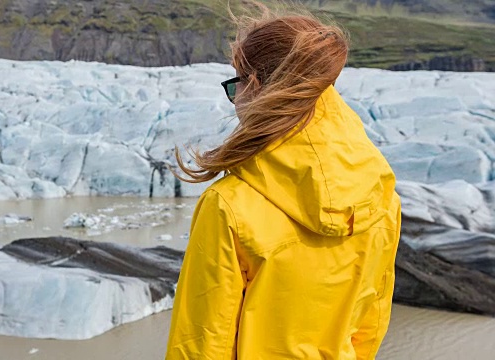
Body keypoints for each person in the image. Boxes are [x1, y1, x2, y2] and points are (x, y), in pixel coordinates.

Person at [165, 2, 401, 359]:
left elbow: (200, 343)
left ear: (257, 87)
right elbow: (371, 319)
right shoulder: (379, 193)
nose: (235, 102)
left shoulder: (230, 205)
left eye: (236, 85)